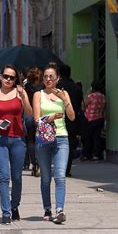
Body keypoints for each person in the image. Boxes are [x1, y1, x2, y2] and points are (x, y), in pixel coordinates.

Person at [0, 65, 32, 224]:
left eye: (12, 78)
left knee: (16, 178)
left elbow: (30, 113)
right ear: (1, 77)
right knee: (4, 177)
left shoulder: (20, 93)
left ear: (15, 80)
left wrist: (23, 95)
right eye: (6, 76)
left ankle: (14, 206)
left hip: (18, 140)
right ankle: (6, 213)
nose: (8, 80)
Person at [33, 63, 75, 224]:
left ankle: (60, 210)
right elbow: (37, 120)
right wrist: (50, 118)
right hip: (43, 139)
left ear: (58, 78)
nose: (48, 79)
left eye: (51, 76)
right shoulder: (38, 94)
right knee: (45, 177)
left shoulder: (64, 94)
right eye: (45, 76)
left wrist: (65, 101)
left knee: (60, 176)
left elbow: (71, 117)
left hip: (61, 138)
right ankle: (47, 209)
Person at [58, 64, 83, 177]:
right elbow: (79, 105)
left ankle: (59, 167)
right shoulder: (76, 88)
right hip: (72, 119)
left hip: (58, 119)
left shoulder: (57, 87)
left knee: (57, 144)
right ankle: (66, 169)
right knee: (70, 145)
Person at [24, 67, 43, 177]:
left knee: (30, 141)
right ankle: (40, 163)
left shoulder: (26, 87)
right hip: (41, 115)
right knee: (41, 140)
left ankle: (34, 164)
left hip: (29, 116)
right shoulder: (42, 87)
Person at [83, 81, 106, 160]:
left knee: (88, 137)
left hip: (90, 119)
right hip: (100, 118)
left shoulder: (91, 96)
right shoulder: (103, 96)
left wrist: (87, 94)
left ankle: (87, 154)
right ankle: (96, 154)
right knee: (97, 137)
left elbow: (84, 104)